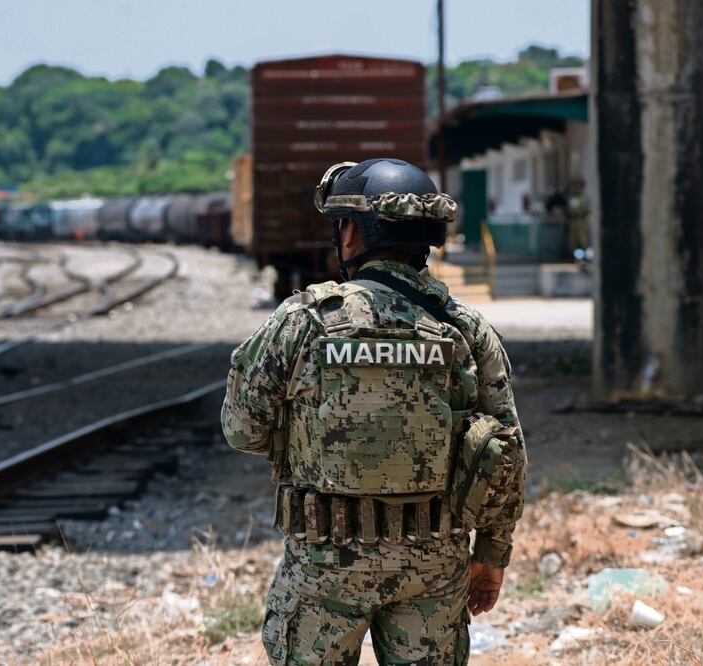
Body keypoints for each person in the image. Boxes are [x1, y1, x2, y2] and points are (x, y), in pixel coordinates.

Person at [222, 158, 527, 665]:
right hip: (433, 564)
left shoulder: (303, 322)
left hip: (325, 563)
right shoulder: (466, 328)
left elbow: (241, 430)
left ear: (353, 233)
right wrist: (492, 556)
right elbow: (506, 452)